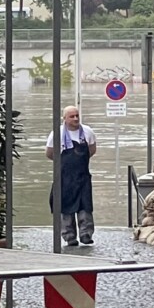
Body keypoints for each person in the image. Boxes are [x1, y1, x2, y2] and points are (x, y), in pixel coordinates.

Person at [46, 105, 97, 246]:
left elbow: (92, 150)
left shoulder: (87, 132)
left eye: (77, 116)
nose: (75, 119)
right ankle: (69, 236)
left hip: (83, 177)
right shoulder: (57, 133)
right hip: (64, 178)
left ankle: (86, 234)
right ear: (65, 118)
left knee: (85, 206)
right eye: (72, 116)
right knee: (65, 208)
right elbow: (50, 153)